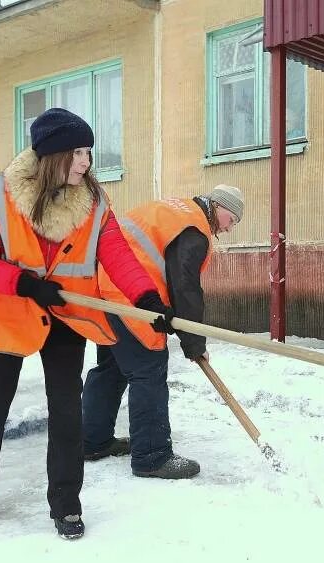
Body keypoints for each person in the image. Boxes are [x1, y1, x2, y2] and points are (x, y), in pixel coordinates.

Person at [0, 108, 171, 539]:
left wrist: (147, 298)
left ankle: (66, 506)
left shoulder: (93, 202)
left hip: (66, 317)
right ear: (53, 154)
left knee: (67, 411)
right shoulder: (0, 196)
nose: (86, 162)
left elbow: (119, 256)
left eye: (88, 152)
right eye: (78, 152)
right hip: (8, 313)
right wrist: (22, 282)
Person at [80, 185, 245, 479]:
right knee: (149, 370)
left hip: (105, 288)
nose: (229, 228)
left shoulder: (175, 210)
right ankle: (152, 456)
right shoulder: (194, 229)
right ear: (219, 207)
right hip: (133, 298)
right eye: (232, 220)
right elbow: (184, 286)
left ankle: (93, 441)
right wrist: (194, 342)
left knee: (113, 368)